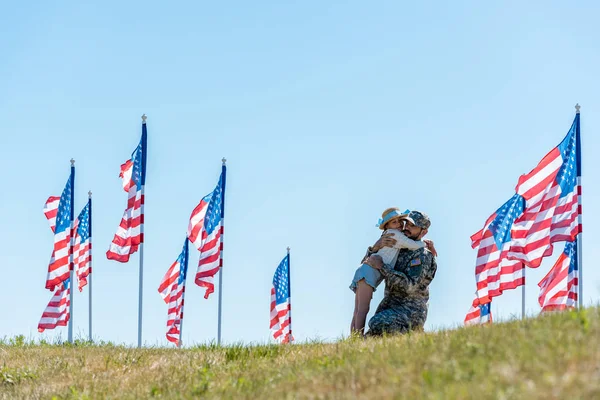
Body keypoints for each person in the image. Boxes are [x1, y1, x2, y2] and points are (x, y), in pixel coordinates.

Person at [349, 207, 432, 336]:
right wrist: (375, 248)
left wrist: (382, 266)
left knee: (376, 322)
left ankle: (415, 332)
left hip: (410, 311)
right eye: (406, 223)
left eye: (413, 226)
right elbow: (366, 264)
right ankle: (355, 339)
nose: (406, 227)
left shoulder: (423, 255)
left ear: (423, 232)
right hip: (390, 307)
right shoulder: (398, 245)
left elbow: (409, 286)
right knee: (370, 334)